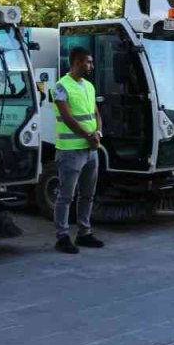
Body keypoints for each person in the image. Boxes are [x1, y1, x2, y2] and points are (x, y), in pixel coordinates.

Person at [52, 46, 106, 254]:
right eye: (88, 62)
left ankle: (84, 233)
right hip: (70, 150)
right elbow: (67, 117)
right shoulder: (60, 87)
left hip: (91, 149)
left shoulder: (89, 87)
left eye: (91, 62)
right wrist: (88, 135)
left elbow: (96, 114)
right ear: (76, 62)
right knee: (65, 196)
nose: (91, 66)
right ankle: (62, 236)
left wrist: (98, 134)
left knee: (87, 195)